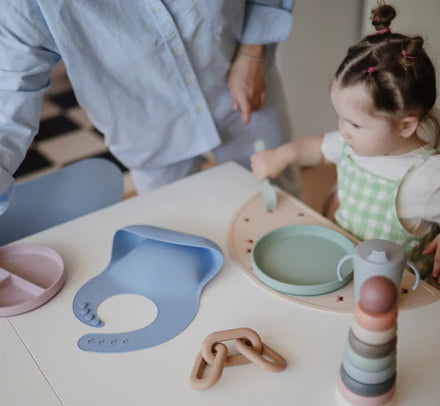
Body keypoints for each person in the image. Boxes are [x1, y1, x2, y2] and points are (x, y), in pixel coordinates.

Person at [0, 1, 302, 213]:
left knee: (279, 208)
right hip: (144, 121)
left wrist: (252, 51)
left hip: (239, 77)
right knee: (183, 236)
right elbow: (10, 97)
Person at [251, 4, 440, 284]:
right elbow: (318, 149)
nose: (343, 130)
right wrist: (282, 155)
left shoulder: (426, 176)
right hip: (342, 267)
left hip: (396, 291)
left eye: (355, 124)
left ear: (405, 126)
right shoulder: (354, 143)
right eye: (341, 118)